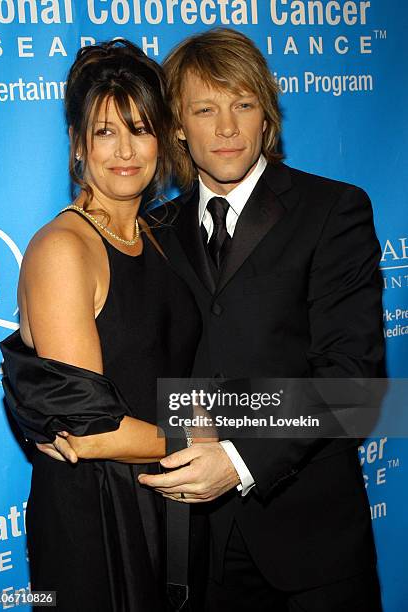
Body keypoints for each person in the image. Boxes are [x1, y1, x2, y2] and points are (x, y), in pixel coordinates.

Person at [137, 28, 385, 611]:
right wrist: (61, 415)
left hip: (312, 548)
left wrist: (241, 459)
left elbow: (354, 382)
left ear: (266, 118)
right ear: (176, 126)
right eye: (205, 108)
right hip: (196, 550)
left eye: (243, 105)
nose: (227, 128)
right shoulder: (155, 231)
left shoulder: (333, 210)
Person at [0, 39, 206, 612]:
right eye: (104, 132)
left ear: (162, 138)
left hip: (165, 497)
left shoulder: (161, 237)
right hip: (93, 517)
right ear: (77, 146)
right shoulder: (64, 248)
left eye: (139, 129)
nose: (125, 151)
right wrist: (207, 444)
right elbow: (90, 431)